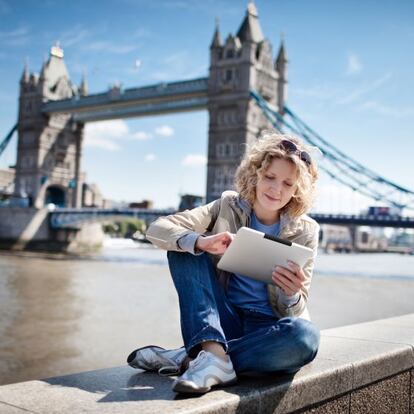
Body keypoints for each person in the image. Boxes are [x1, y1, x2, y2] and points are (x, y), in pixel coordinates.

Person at [127, 131, 321, 394]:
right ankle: (211, 352)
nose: (276, 189)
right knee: (184, 247)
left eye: (288, 184)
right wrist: (201, 242)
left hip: (266, 330)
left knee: (304, 338)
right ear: (256, 175)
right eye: (270, 177)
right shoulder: (227, 205)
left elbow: (293, 312)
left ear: (297, 190)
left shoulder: (306, 231)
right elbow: (157, 228)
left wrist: (291, 294)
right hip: (220, 320)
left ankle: (196, 359)